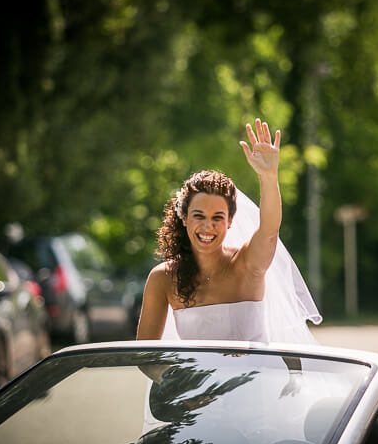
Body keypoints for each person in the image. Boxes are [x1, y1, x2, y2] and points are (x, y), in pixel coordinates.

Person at [136, 118, 321, 343]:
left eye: (217, 218)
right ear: (184, 217)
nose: (207, 226)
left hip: (258, 377)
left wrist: (269, 176)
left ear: (230, 221)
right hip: (193, 380)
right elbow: (147, 357)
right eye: (198, 216)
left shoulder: (247, 264)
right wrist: (182, 379)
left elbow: (269, 231)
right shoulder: (162, 278)